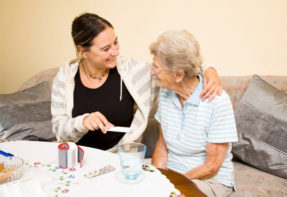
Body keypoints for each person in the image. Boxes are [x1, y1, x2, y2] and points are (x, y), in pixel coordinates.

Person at [51, 13, 223, 151]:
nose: (116, 51)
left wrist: (209, 70)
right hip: (78, 158)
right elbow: (58, 129)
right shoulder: (65, 77)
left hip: (120, 158)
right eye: (106, 49)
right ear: (83, 51)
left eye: (116, 42)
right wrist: (83, 122)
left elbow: (177, 67)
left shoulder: (132, 72)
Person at [150, 30, 238, 197]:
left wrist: (173, 183)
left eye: (156, 68)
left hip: (209, 180)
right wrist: (157, 178)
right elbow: (163, 145)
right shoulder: (166, 92)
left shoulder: (217, 101)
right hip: (173, 174)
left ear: (179, 75)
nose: (151, 72)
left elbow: (211, 167)